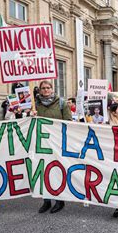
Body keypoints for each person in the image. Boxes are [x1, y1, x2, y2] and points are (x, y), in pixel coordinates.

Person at [33, 80, 72, 214]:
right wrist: (30, 115)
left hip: (57, 142)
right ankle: (46, 201)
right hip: (41, 143)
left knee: (56, 170)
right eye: (43, 88)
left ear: (52, 89)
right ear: (39, 90)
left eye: (48, 87)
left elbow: (68, 122)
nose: (46, 90)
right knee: (43, 171)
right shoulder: (35, 104)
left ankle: (59, 200)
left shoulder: (61, 103)